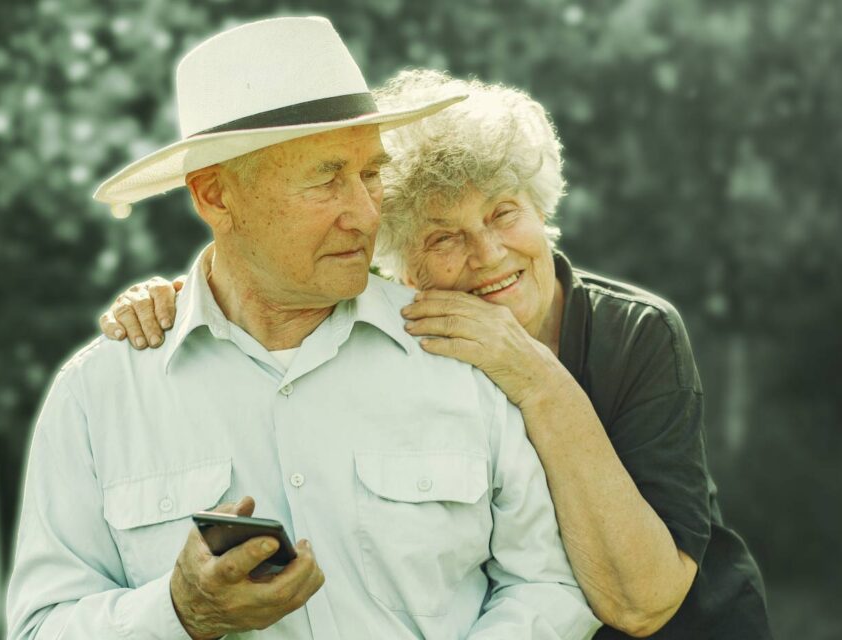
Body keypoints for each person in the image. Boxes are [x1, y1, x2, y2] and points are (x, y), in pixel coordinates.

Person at [101, 69, 773, 638]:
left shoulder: (637, 333)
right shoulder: (407, 334)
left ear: (542, 208)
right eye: (444, 237)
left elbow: (642, 602)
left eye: (505, 213)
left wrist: (536, 376)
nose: (488, 255)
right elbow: (269, 280)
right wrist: (187, 300)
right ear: (399, 265)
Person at [6, 18, 599, 640]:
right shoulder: (98, 397)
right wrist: (178, 614)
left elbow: (548, 585)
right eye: (326, 178)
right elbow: (41, 627)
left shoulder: (460, 348)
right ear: (215, 197)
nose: (368, 212)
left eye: (372, 173)